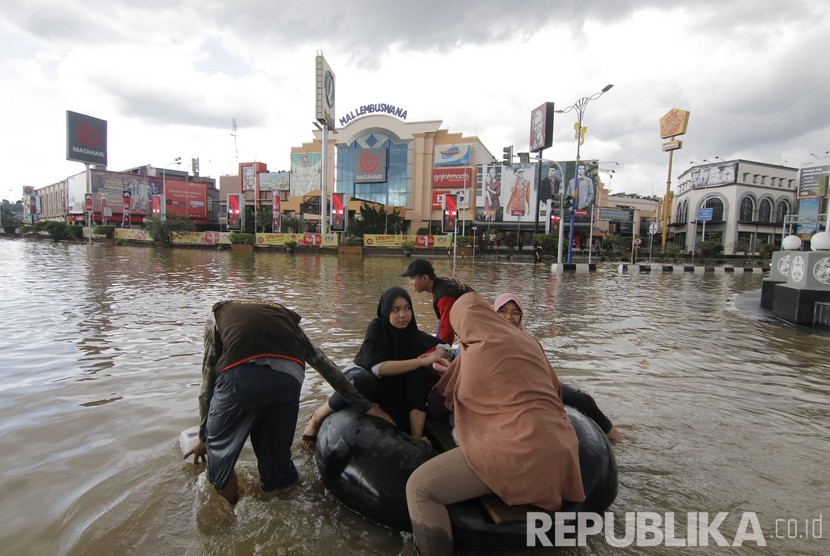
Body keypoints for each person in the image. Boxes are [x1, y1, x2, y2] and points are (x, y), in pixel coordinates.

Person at [405, 293, 585, 555]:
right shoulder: (530, 342)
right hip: (563, 449)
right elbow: (556, 392)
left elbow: (440, 403)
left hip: (520, 451)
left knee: (420, 489)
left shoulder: (475, 350)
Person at [183, 300, 391, 505]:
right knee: (278, 470)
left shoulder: (217, 316)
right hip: (288, 381)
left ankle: (229, 519)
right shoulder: (285, 319)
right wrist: (364, 405)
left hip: (240, 381)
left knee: (221, 461)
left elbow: (208, 377)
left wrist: (205, 436)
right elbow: (324, 364)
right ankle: (285, 502)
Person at [301, 287, 451, 445]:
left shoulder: (413, 335)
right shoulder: (376, 329)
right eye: (396, 310)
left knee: (418, 374)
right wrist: (421, 361)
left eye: (407, 309)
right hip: (364, 382)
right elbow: (378, 368)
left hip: (392, 391)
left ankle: (417, 436)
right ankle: (317, 418)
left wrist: (436, 355)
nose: (403, 315)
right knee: (364, 380)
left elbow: (445, 346)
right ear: (386, 311)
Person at [493, 293, 622, 441]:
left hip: (535, 385)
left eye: (515, 313)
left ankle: (617, 438)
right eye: (502, 311)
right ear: (494, 312)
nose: (509, 317)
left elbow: (545, 372)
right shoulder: (483, 338)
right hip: (504, 391)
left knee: (584, 400)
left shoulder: (529, 342)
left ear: (521, 317)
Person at [400, 258, 474, 345]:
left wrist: (441, 350)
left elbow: (447, 333)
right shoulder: (441, 286)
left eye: (412, 278)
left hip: (477, 336)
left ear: (425, 278)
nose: (410, 283)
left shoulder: (444, 295)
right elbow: (442, 324)